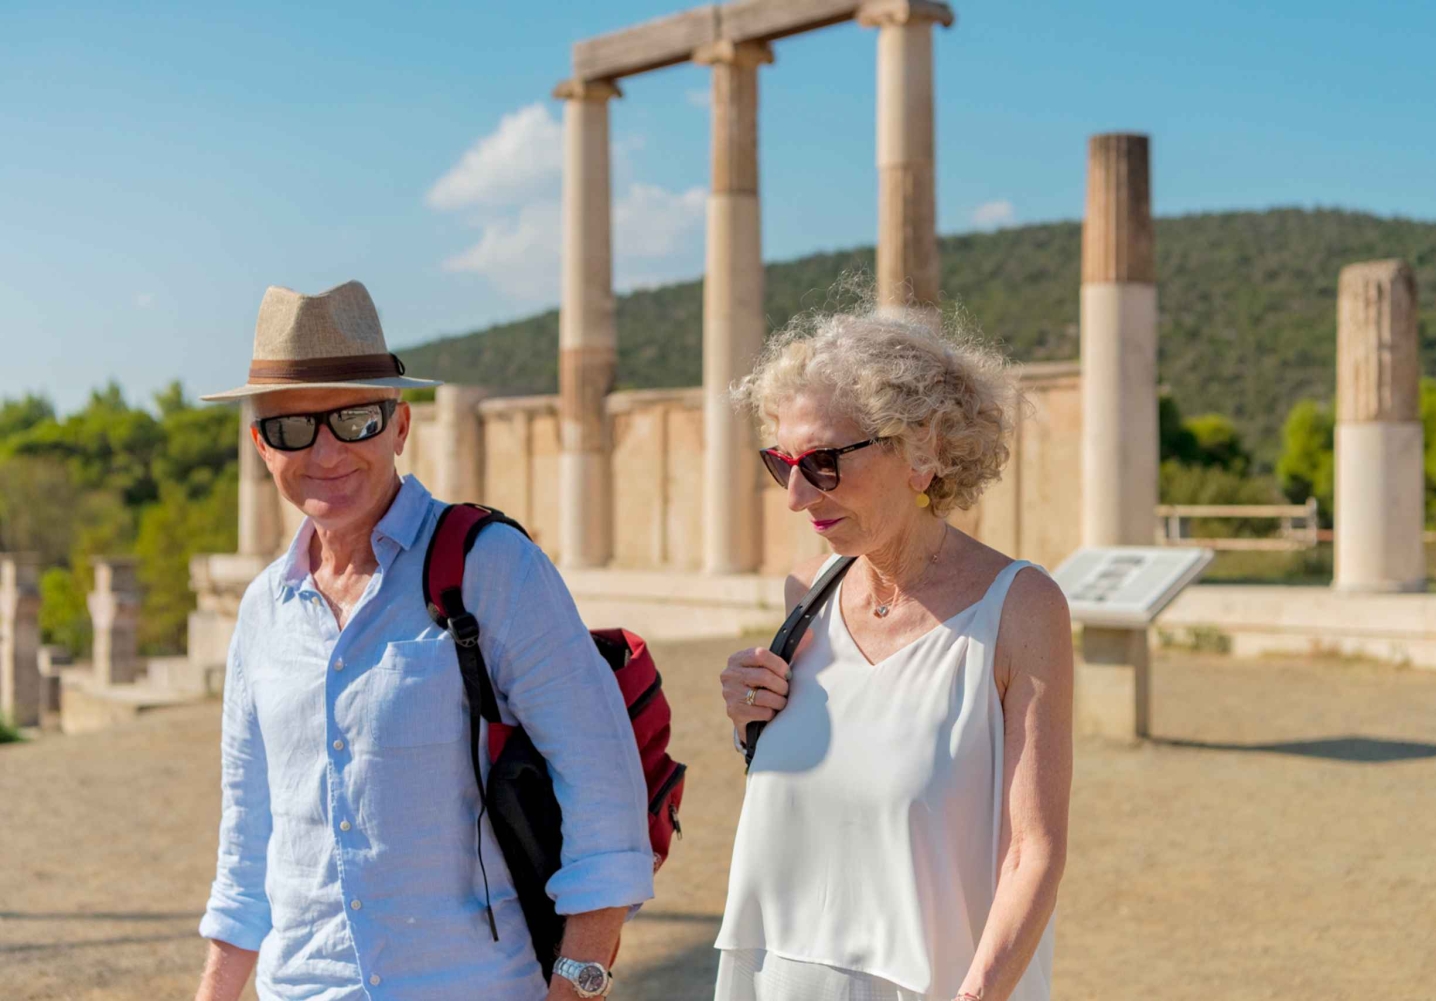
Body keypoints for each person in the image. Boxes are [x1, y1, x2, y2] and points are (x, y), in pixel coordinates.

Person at [195, 280, 652, 1001]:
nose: (326, 451)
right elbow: (248, 848)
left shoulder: (494, 568)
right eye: (291, 428)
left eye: (355, 419)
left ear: (400, 425)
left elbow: (605, 796)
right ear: (261, 444)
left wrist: (578, 987)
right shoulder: (263, 611)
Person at [713, 298, 1074, 1001]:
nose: (795, 496)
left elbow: (1034, 854)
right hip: (775, 976)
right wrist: (751, 721)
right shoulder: (806, 595)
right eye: (782, 462)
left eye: (822, 463)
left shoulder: (1021, 608)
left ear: (923, 450)